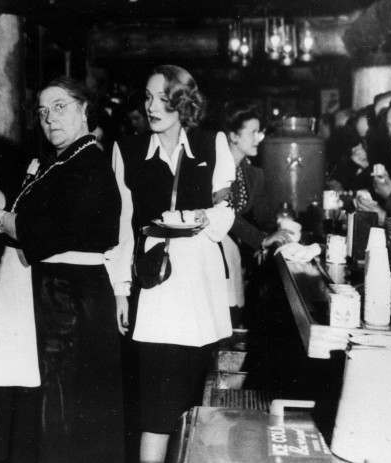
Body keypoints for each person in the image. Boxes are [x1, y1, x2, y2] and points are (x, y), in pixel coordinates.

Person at [0, 77, 125, 463]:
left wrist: (0, 221)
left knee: (62, 412)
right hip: (55, 295)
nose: (49, 119)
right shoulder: (59, 161)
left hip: (71, 301)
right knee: (49, 409)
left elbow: (56, 229)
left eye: (60, 107)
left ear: (83, 110)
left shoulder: (90, 162)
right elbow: (40, 213)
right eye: (42, 112)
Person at [111, 65, 235, 463]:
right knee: (155, 407)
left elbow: (226, 210)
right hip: (156, 286)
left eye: (163, 98)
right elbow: (122, 230)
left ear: (183, 102)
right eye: (147, 97)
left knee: (194, 399)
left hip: (198, 284)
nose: (152, 107)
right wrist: (120, 291)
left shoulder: (211, 143)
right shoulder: (127, 151)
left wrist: (203, 219)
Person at [222, 100, 292, 321]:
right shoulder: (212, 171)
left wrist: (281, 231)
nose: (259, 138)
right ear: (233, 136)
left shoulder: (253, 174)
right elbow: (225, 215)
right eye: (252, 132)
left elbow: (265, 218)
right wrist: (261, 239)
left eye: (260, 132)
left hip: (236, 258)